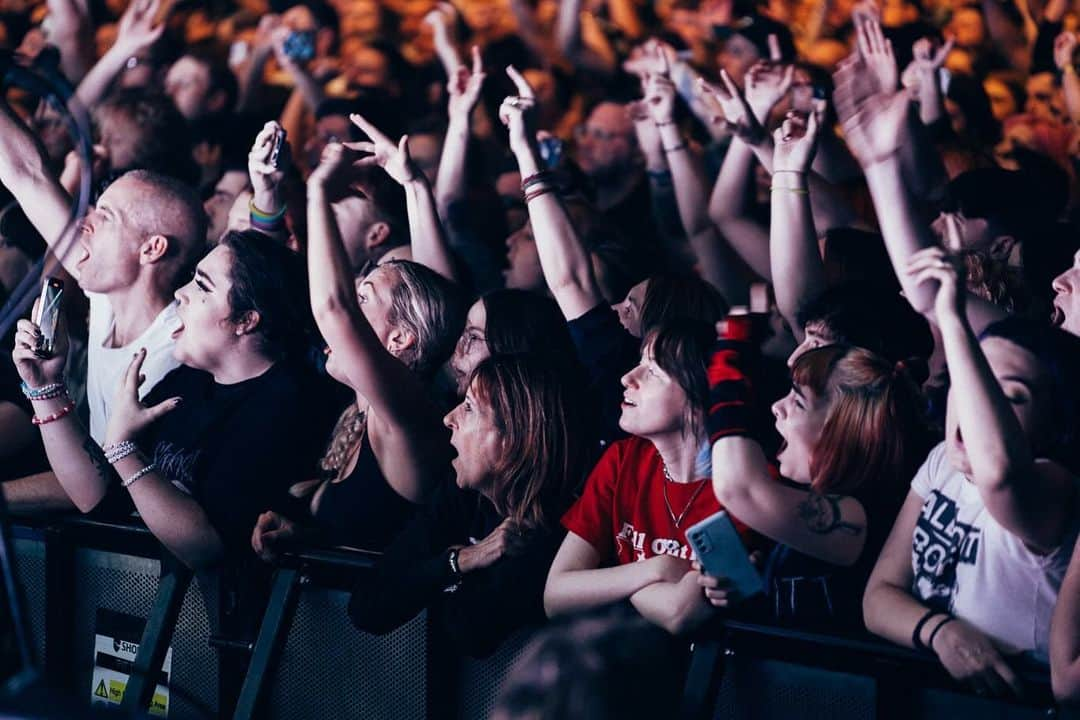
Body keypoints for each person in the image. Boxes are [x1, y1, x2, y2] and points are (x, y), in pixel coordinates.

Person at [12, 230, 330, 571]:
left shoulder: (287, 403)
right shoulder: (189, 381)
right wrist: (46, 387)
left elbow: (205, 547)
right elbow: (96, 496)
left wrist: (124, 449)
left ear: (246, 320)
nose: (181, 293)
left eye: (203, 286)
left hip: (228, 618)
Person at [863, 248, 1080, 696]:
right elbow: (878, 596)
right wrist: (941, 632)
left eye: (1011, 398)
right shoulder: (942, 461)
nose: (977, 409)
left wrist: (954, 321)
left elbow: (999, 472)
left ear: (1054, 424)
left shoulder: (1055, 486)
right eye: (974, 384)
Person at [249, 138, 465, 555]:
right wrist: (414, 186)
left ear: (401, 339)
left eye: (363, 298)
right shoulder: (360, 416)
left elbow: (335, 308)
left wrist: (318, 191)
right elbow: (441, 299)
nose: (349, 302)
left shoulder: (409, 419)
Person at [347, 353, 590, 657]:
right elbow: (366, 606)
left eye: (470, 408)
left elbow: (469, 631)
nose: (449, 418)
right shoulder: (461, 495)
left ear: (515, 437)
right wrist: (461, 560)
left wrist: (439, 573)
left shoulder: (554, 531)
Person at [544, 321, 754, 635]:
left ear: (699, 404)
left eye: (653, 372)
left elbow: (679, 613)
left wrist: (606, 584)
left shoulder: (742, 485)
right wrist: (657, 568)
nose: (627, 377)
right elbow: (556, 597)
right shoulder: (622, 460)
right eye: (639, 363)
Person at [708, 341, 929, 625]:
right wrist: (749, 589)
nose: (777, 407)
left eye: (798, 402)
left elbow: (738, 488)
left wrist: (726, 368)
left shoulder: (860, 517)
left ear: (843, 434)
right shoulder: (812, 496)